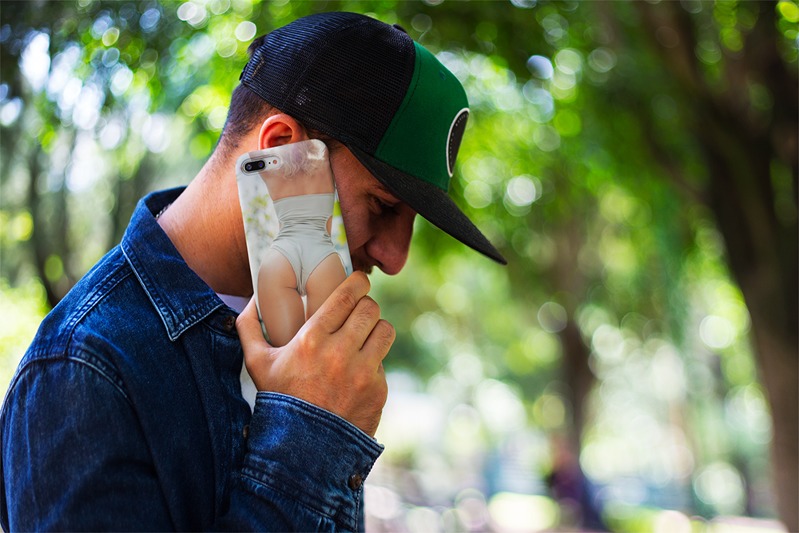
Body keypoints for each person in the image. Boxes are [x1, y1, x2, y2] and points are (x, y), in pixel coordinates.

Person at [0, 11, 506, 531]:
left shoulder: (306, 339)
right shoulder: (82, 369)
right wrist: (310, 431)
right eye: (382, 205)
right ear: (281, 148)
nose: (395, 258)